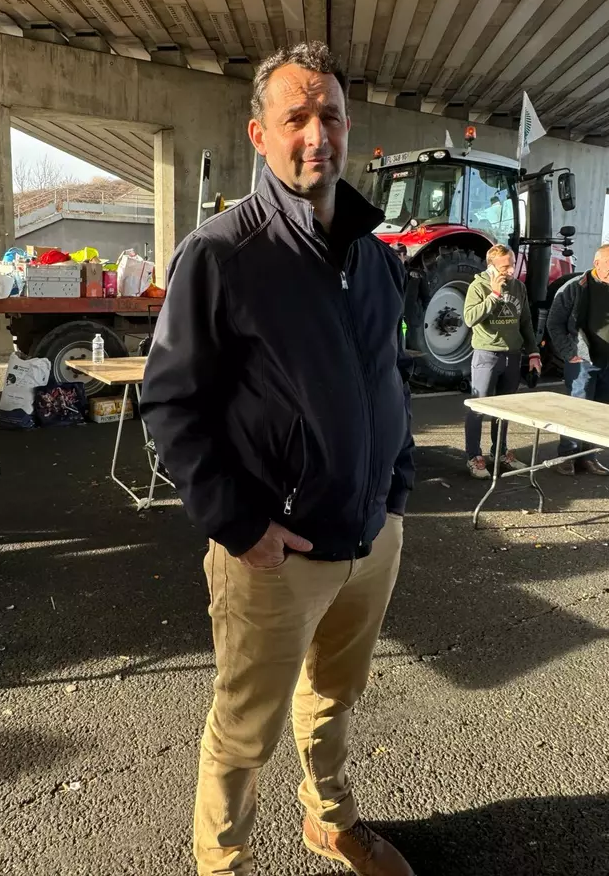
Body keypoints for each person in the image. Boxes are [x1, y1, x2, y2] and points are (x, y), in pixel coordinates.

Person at [141, 42, 415, 876]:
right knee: (244, 727)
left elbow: (386, 377)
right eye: (295, 117)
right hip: (273, 547)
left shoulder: (375, 255)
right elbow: (169, 402)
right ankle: (221, 864)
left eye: (328, 115)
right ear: (259, 134)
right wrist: (238, 522)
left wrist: (395, 492)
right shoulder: (223, 254)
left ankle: (327, 819)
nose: (315, 134)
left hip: (369, 535)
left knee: (335, 696)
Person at [547, 243, 609, 476]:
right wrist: (569, 353)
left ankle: (589, 457)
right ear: (596, 263)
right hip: (583, 361)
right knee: (577, 409)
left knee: (600, 412)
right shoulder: (575, 287)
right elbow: (554, 324)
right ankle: (567, 456)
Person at [463, 244, 542, 479]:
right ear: (491, 267)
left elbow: (526, 322)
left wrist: (534, 353)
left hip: (513, 354)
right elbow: (469, 318)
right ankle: (473, 456)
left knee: (505, 409)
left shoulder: (519, 287)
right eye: (505, 267)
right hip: (487, 355)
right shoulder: (478, 286)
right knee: (478, 408)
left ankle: (500, 452)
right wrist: (494, 295)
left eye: (512, 265)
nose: (510, 271)